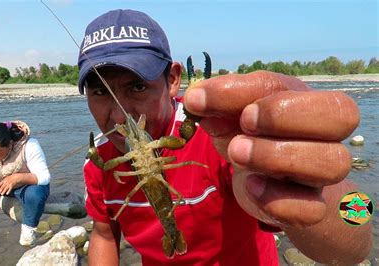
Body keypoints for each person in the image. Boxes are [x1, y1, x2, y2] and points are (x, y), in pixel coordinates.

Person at [79, 9, 372, 265]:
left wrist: (324, 190)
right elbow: (104, 233)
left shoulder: (221, 134)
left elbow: (359, 243)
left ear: (172, 80)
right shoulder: (99, 162)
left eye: (137, 87)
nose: (119, 116)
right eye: (100, 91)